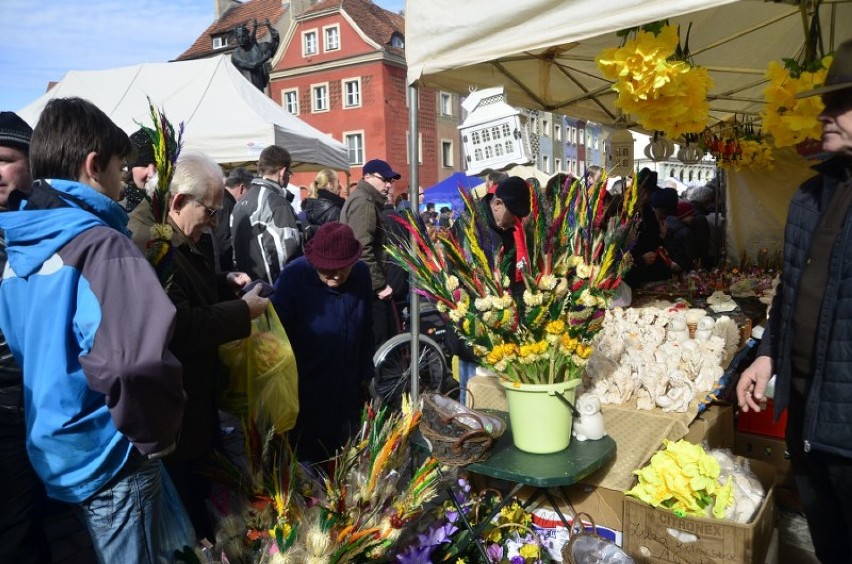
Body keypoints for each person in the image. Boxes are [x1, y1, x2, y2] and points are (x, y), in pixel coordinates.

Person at [0, 97, 190, 562]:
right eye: (122, 169)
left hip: (54, 452)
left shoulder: (19, 249)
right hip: (110, 458)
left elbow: (24, 350)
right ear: (93, 165)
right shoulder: (101, 245)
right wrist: (157, 436)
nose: (125, 181)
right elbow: (134, 363)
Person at [736, 39, 852, 564]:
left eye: (841, 101)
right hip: (805, 410)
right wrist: (767, 352)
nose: (824, 113)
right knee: (828, 538)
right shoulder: (810, 195)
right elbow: (792, 289)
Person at [152, 152, 268, 542]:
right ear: (179, 201)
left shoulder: (183, 238)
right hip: (177, 407)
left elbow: (191, 293)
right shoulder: (153, 246)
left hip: (199, 399)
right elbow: (178, 324)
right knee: (188, 512)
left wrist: (223, 281)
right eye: (211, 211)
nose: (215, 223)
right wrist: (240, 311)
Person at [271, 222, 372, 462]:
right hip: (306, 387)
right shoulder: (295, 275)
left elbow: (367, 328)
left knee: (343, 457)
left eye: (342, 268)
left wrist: (366, 374)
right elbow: (276, 335)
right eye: (327, 270)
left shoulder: (361, 274)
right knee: (308, 457)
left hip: (347, 386)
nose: (336, 275)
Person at [0, 111, 52, 564]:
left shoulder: (46, 224)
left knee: (24, 525)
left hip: (29, 399)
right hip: (6, 404)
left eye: (3, 159)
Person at [340, 158, 400, 351]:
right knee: (381, 344)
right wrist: (380, 285)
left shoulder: (364, 199)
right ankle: (385, 381)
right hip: (368, 287)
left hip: (363, 283)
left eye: (391, 181)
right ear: (367, 177)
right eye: (385, 180)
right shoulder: (364, 202)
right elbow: (362, 249)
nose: (389, 185)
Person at [231, 145, 302, 283]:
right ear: (282, 172)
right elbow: (288, 252)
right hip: (274, 293)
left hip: (248, 289)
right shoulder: (276, 202)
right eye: (289, 173)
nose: (289, 178)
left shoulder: (240, 203)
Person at [214, 167, 254, 272]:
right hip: (224, 267)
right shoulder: (227, 204)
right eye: (249, 192)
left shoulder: (222, 198)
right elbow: (224, 239)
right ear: (242, 188)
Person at [230, 19, 280, 91]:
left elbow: (272, 46)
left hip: (259, 88)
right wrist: (264, 59)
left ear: (247, 36)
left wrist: (271, 29)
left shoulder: (255, 48)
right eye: (239, 37)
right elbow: (251, 65)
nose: (241, 39)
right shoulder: (235, 54)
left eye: (243, 36)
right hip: (246, 90)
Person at [119, 128, 156, 213]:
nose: (152, 173)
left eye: (158, 165)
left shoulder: (180, 210)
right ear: (131, 170)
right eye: (144, 165)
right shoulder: (116, 213)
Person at [303, 168, 345, 241]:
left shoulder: (311, 204)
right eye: (338, 182)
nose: (340, 186)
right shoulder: (334, 208)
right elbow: (336, 241)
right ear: (330, 185)